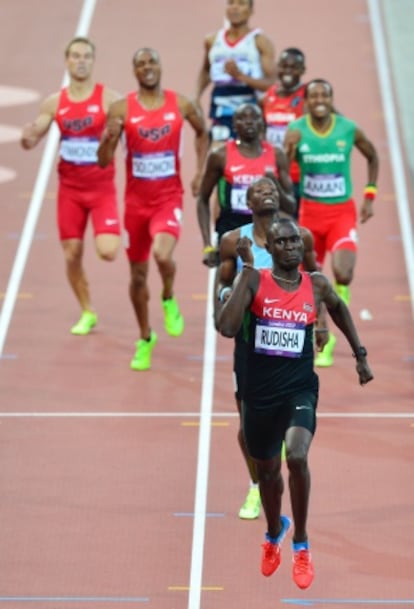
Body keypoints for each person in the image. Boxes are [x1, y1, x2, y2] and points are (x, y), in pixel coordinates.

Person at [217, 217, 373, 589]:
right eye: (282, 242)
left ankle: (301, 543)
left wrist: (360, 354)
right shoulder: (255, 279)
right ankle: (275, 533)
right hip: (259, 396)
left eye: (294, 242)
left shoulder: (315, 284)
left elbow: (338, 309)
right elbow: (226, 327)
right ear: (269, 249)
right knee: (268, 474)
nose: (291, 247)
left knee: (298, 455)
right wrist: (245, 273)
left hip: (300, 390)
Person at [214, 177, 328, 520]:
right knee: (247, 422)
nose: (268, 193)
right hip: (250, 348)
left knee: (292, 419)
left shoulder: (298, 237)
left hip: (291, 342)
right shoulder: (234, 241)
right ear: (247, 201)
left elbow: (314, 277)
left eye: (273, 190)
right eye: (260, 191)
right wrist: (222, 306)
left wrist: (320, 322)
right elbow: (222, 282)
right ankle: (256, 484)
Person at [97, 47, 209, 371]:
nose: (147, 67)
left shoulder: (182, 104)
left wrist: (200, 170)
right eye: (141, 63)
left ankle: (169, 296)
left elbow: (202, 132)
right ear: (134, 71)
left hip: (168, 199)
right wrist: (109, 138)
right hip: (135, 205)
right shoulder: (120, 109)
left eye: (152, 62)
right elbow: (103, 160)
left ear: (161, 66)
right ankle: (145, 338)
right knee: (137, 276)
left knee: (162, 255)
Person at [21, 36, 121, 335]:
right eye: (75, 55)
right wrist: (28, 136)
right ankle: (87, 310)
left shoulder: (108, 100)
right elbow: (35, 132)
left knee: (108, 251)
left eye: (86, 56)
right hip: (70, 191)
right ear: (67, 61)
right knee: (71, 254)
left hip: (102, 190)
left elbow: (129, 127)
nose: (81, 60)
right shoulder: (55, 103)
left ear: (93, 61)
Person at [284, 78, 379, 367]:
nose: (320, 99)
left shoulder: (347, 129)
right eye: (313, 95)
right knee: (313, 281)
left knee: (343, 273)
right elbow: (284, 174)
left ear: (331, 97)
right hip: (310, 216)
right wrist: (289, 151)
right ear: (307, 101)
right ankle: (325, 337)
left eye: (325, 94)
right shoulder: (296, 130)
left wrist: (369, 195)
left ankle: (340, 301)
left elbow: (372, 155)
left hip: (341, 214)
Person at [197, 102, 296, 267]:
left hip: (268, 229)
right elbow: (203, 199)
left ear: (262, 123)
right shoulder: (220, 156)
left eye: (255, 117)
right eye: (242, 118)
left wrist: (275, 183)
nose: (249, 122)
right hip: (231, 226)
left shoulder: (276, 155)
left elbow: (291, 206)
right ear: (234, 125)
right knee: (226, 282)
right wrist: (207, 245)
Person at [195, 0, 276, 147]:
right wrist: (196, 96)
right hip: (221, 108)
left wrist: (240, 77)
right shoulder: (212, 40)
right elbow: (206, 70)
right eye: (231, 3)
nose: (235, 7)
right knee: (218, 156)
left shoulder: (260, 41)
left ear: (251, 10)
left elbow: (271, 83)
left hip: (250, 110)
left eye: (241, 3)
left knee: (251, 157)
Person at [261, 48, 307, 217]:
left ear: (302, 70)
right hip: (275, 174)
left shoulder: (309, 96)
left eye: (294, 67)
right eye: (284, 66)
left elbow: (338, 124)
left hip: (300, 176)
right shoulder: (268, 97)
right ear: (277, 68)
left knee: (301, 229)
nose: (288, 71)